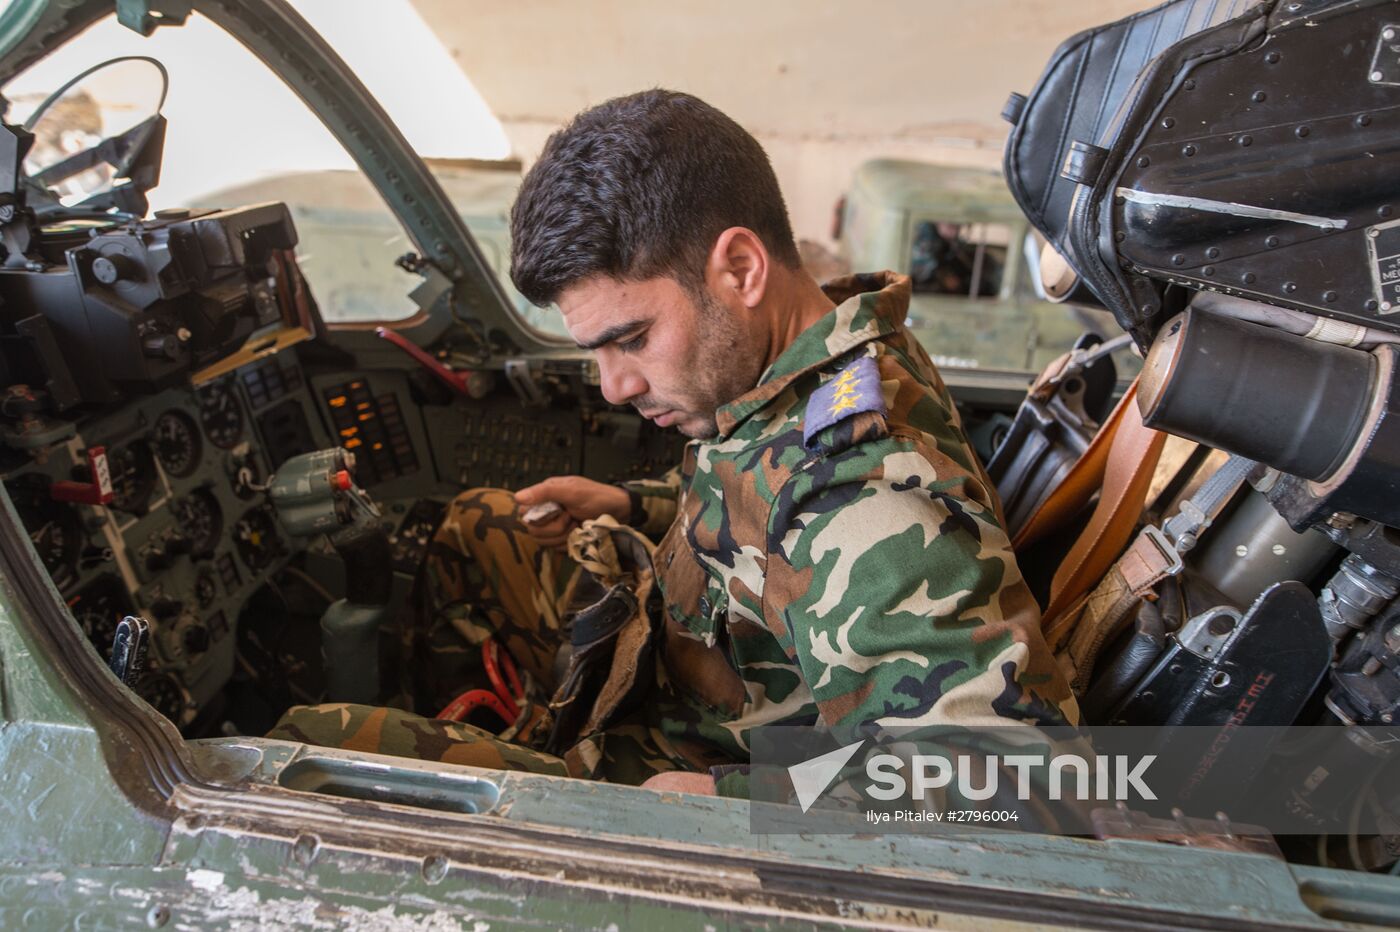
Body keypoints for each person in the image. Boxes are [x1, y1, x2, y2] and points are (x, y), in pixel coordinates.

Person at [270, 90, 1077, 796]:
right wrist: (631, 502)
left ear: (741, 268)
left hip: (668, 769)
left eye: (631, 338)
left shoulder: (861, 494)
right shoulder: (818, 354)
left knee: (306, 743)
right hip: (680, 665)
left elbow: (1010, 784)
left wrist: (721, 807)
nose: (614, 386)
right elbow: (765, 506)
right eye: (595, 351)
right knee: (482, 525)